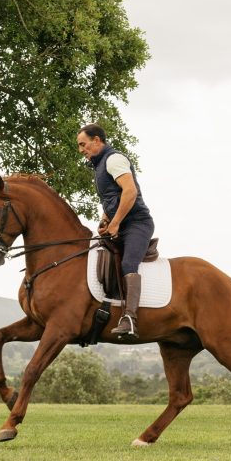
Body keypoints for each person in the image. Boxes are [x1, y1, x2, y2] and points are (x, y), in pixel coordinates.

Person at [76, 123, 156, 340]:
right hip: (119, 223)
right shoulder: (99, 166)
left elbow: (130, 192)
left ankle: (130, 319)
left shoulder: (114, 159)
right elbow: (111, 199)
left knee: (128, 264)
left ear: (97, 141)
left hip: (137, 223)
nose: (81, 150)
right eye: (79, 147)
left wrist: (116, 223)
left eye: (83, 144)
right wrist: (105, 220)